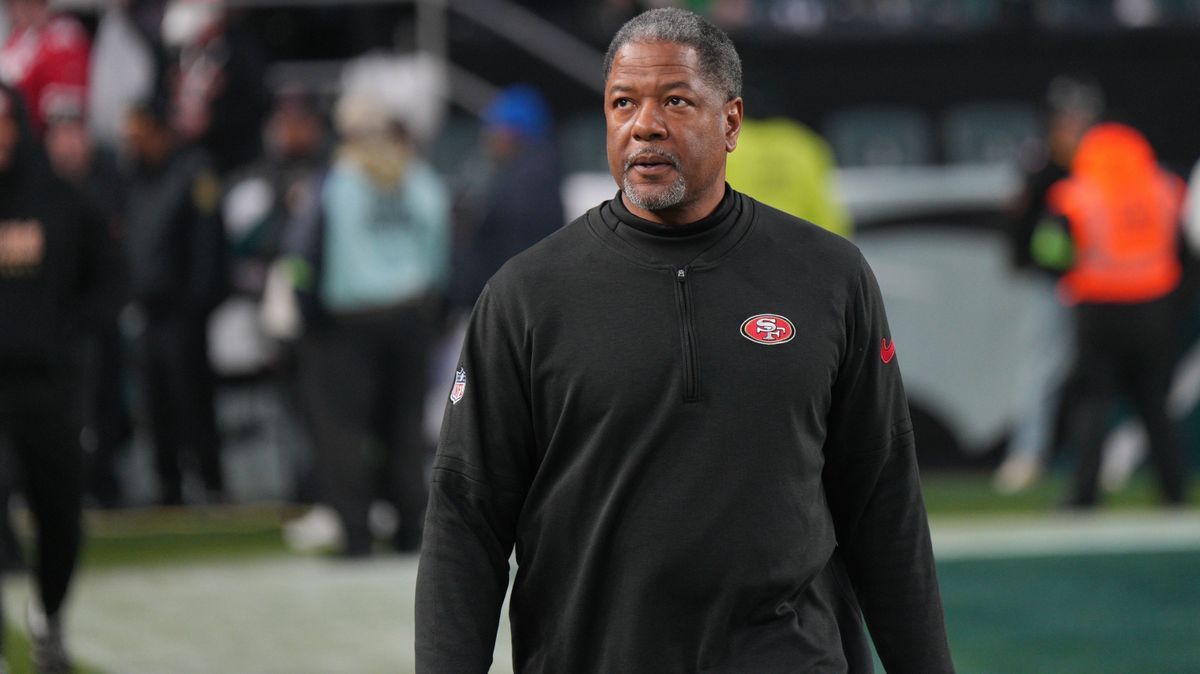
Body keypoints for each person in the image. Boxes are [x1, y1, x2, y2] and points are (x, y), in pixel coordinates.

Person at [416, 8, 953, 673]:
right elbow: (466, 519)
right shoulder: (525, 295)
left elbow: (883, 503)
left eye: (674, 100)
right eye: (623, 103)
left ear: (730, 121)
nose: (645, 125)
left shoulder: (829, 276)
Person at [305, 93, 449, 556]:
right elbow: (440, 249)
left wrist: (307, 309)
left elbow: (305, 250)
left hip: (349, 321)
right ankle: (411, 532)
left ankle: (357, 536)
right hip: (409, 316)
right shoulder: (420, 178)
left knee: (345, 431)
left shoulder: (336, 181)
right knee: (405, 431)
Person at [0, 82, 108, 674]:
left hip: (47, 383)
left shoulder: (62, 202)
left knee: (60, 509)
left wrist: (66, 334)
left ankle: (49, 616)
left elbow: (110, 278)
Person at [1048, 122, 1189, 508]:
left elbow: (1050, 250)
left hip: (1098, 310)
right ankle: (1174, 491)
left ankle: (1084, 494)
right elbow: (1183, 247)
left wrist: (1066, 274)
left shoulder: (1076, 194)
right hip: (1154, 310)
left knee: (1093, 402)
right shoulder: (1165, 188)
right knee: (1154, 405)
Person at [123, 96, 228, 506]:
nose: (134, 145)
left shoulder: (192, 173)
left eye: (140, 136)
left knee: (193, 401)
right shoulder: (136, 179)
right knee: (156, 403)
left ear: (160, 132)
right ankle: (168, 487)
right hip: (148, 311)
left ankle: (211, 483)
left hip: (184, 312)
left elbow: (207, 247)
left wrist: (199, 304)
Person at [0, 0, 89, 137]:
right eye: (15, 5)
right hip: (19, 132)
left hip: (53, 133)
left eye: (29, 4)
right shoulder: (14, 41)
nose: (21, 11)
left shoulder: (65, 34)